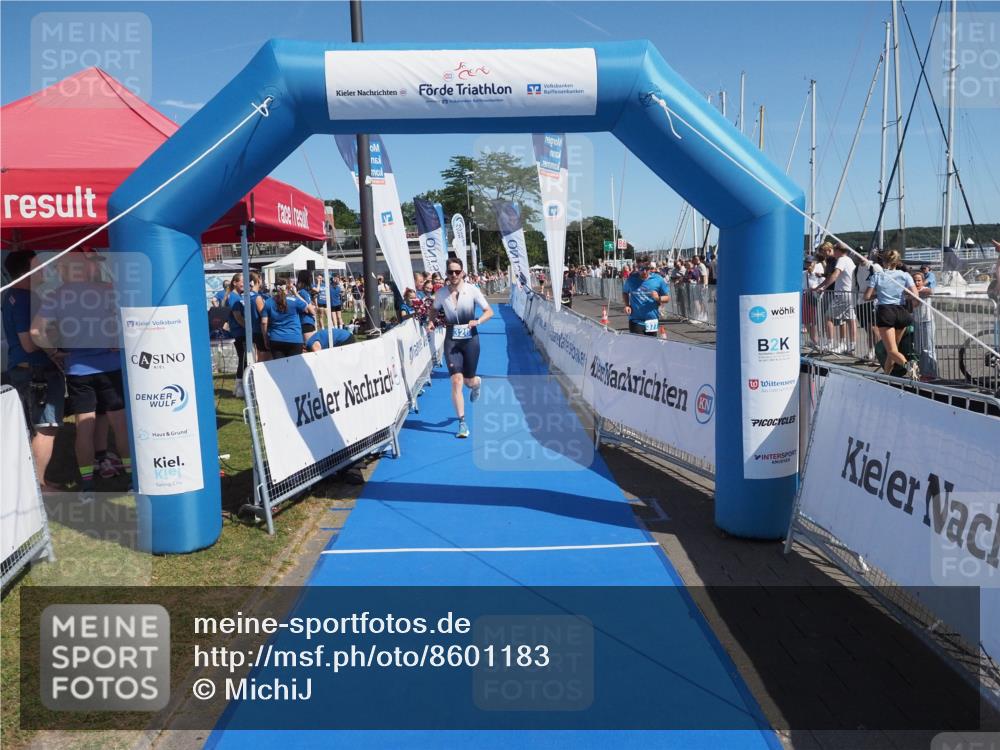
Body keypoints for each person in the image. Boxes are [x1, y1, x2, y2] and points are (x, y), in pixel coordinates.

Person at [31, 250, 131, 501]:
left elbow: (36, 331)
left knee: (83, 428)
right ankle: (132, 480)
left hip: (77, 371)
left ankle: (87, 486)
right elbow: (128, 320)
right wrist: (117, 340)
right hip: (110, 367)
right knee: (120, 425)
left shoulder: (55, 296)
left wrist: (54, 351)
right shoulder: (109, 290)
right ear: (86, 267)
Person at [2, 251, 66, 489]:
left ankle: (36, 483)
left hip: (25, 370)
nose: (43, 270)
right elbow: (29, 343)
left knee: (34, 428)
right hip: (37, 371)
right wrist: (54, 353)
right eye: (38, 265)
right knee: (46, 428)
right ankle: (38, 488)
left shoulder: (14, 296)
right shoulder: (23, 298)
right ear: (26, 270)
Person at [429, 257, 494, 438]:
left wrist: (478, 321)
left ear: (463, 272)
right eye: (451, 272)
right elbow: (434, 309)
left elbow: (489, 311)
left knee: (468, 381)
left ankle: (476, 383)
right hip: (452, 340)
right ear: (447, 274)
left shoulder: (472, 290)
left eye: (458, 271)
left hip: (470, 340)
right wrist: (431, 322)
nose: (454, 275)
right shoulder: (441, 293)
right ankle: (462, 423)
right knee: (456, 381)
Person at [864, 249, 918, 378]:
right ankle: (887, 375)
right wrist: (901, 295)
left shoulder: (877, 276)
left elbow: (866, 297)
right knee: (892, 350)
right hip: (901, 312)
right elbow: (914, 295)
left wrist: (879, 295)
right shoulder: (905, 275)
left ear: (883, 261)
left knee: (892, 350)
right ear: (897, 261)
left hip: (886, 313)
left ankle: (908, 365)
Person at [816, 243, 857, 355]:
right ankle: (851, 346)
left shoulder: (841, 260)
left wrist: (823, 288)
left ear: (839, 250)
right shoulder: (850, 260)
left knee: (828, 317)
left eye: (834, 249)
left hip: (841, 294)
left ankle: (830, 343)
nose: (833, 251)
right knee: (850, 320)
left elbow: (834, 275)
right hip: (850, 294)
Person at [262, 278, 314, 359]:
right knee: (294, 369)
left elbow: (264, 322)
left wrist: (265, 338)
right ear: (287, 288)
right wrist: (296, 294)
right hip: (294, 339)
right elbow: (310, 309)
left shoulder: (268, 302)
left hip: (276, 338)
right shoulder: (294, 300)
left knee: (280, 368)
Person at [622, 254, 670, 336]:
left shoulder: (658, 279)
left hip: (652, 320)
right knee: (638, 347)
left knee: (651, 347)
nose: (644, 272)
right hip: (635, 320)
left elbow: (667, 298)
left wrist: (658, 298)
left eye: (647, 269)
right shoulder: (631, 279)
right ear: (637, 267)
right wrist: (627, 305)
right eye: (641, 269)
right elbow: (625, 292)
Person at [910, 271, 937, 379]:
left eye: (919, 280)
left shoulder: (925, 289)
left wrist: (913, 293)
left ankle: (932, 373)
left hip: (927, 321)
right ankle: (923, 372)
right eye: (914, 280)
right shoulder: (911, 291)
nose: (917, 282)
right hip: (916, 321)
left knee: (928, 348)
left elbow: (930, 292)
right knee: (918, 348)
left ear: (923, 281)